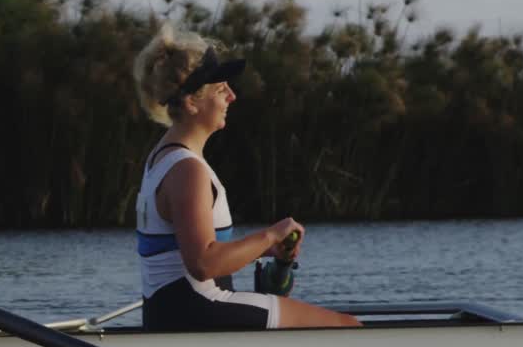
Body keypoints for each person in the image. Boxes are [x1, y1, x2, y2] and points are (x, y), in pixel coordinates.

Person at [132, 24, 360, 331]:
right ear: (191, 102)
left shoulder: (160, 159)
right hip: (199, 311)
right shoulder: (187, 170)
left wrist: (265, 250)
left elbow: (188, 252)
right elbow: (203, 263)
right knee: (347, 326)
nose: (232, 96)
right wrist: (271, 235)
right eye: (220, 89)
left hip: (170, 315)